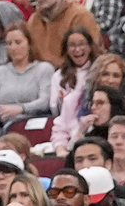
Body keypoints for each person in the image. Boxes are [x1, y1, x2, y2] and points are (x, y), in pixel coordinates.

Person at [0, 23, 54, 125]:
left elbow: (45, 101)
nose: (13, 48)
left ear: (29, 44)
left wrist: (20, 109)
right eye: (9, 43)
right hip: (4, 126)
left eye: (18, 42)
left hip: (35, 124)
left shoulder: (44, 69)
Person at [51, 27, 100, 157]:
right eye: (72, 45)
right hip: (71, 138)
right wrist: (61, 148)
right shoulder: (58, 76)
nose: (77, 50)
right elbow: (57, 114)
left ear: (90, 46)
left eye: (82, 44)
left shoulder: (100, 72)